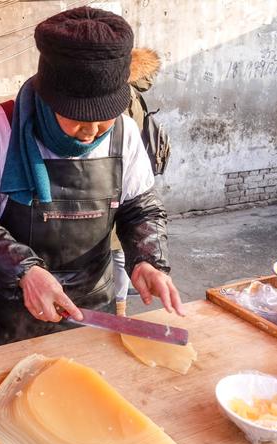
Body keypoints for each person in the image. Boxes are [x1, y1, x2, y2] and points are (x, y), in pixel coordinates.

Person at [0, 6, 184, 352]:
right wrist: (24, 271)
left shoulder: (125, 133)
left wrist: (147, 259)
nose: (90, 132)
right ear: (48, 96)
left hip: (90, 309)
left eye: (103, 118)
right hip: (8, 315)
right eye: (77, 117)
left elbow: (140, 209)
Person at [112, 47, 162, 316]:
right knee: (117, 253)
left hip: (121, 181)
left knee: (119, 253)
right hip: (120, 179)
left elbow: (145, 211)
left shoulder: (125, 98)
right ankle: (118, 305)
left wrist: (150, 260)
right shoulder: (134, 96)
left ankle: (119, 308)